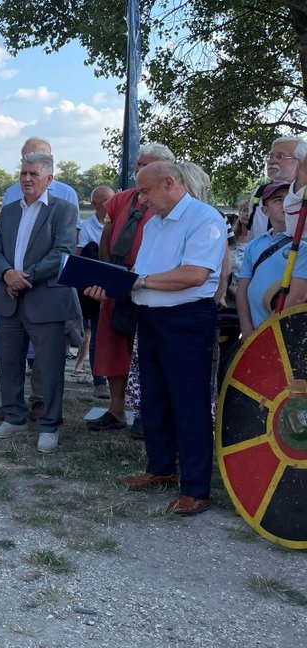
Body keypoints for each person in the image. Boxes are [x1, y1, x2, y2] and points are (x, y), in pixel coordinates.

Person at [99, 161, 226, 516]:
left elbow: (195, 274)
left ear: (169, 182)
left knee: (188, 403)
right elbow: (142, 272)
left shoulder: (205, 219)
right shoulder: (155, 222)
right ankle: (160, 469)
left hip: (186, 320)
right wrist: (113, 284)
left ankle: (196, 489)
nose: (140, 199)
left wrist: (138, 282)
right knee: (154, 398)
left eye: (145, 190)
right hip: (151, 317)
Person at [0, 152, 80, 454]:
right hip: (10, 300)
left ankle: (50, 425)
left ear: (48, 179)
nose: (26, 179)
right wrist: (6, 274)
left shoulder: (63, 210)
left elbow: (62, 252)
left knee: (49, 367)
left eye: (33, 175)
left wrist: (23, 278)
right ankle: (14, 416)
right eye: (23, 173)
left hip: (45, 299)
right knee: (10, 361)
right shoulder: (10, 210)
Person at [90, 142, 176, 435]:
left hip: (151, 285)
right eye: (138, 164)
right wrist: (106, 274)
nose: (138, 169)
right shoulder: (121, 200)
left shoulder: (167, 202)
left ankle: (144, 412)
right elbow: (106, 237)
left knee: (143, 351)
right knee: (112, 347)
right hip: (118, 281)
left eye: (145, 165)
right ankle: (116, 409)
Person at [236, 181, 307, 332]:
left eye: (290, 199)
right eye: (278, 200)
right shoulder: (253, 245)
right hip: (255, 332)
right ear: (265, 210)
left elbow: (298, 296)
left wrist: (266, 331)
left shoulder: (303, 245)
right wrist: (246, 328)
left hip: (288, 333)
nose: (286, 203)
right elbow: (242, 290)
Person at [76, 185, 115, 397]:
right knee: (97, 333)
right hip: (94, 290)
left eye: (113, 200)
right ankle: (99, 380)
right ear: (95, 204)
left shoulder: (121, 222)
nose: (111, 206)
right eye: (106, 202)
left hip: (116, 288)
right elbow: (79, 256)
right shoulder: (86, 227)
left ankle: (119, 380)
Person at [248, 136, 306, 239]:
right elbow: (252, 231)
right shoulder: (259, 192)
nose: (271, 161)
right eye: (270, 156)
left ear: (301, 162)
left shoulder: (305, 193)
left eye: (280, 156)